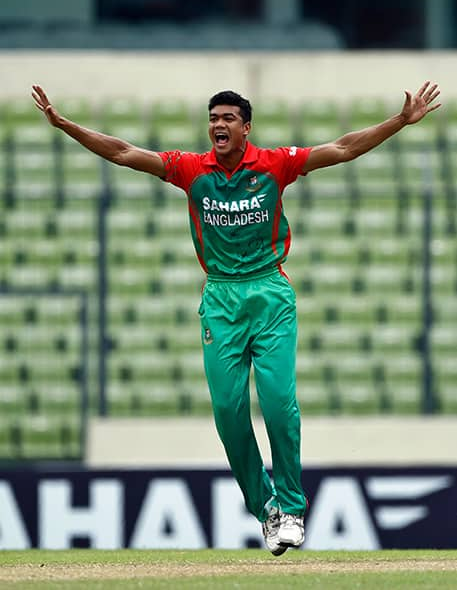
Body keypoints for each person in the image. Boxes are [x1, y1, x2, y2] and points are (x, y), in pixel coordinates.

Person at [31, 81, 441, 555]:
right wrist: (64, 126)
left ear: (246, 128)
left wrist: (397, 121)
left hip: (269, 293)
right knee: (228, 412)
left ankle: (291, 507)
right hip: (221, 301)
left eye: (227, 118)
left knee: (278, 404)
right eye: (212, 118)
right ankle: (265, 508)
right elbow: (124, 152)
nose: (217, 125)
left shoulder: (273, 164)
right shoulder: (191, 170)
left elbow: (342, 148)